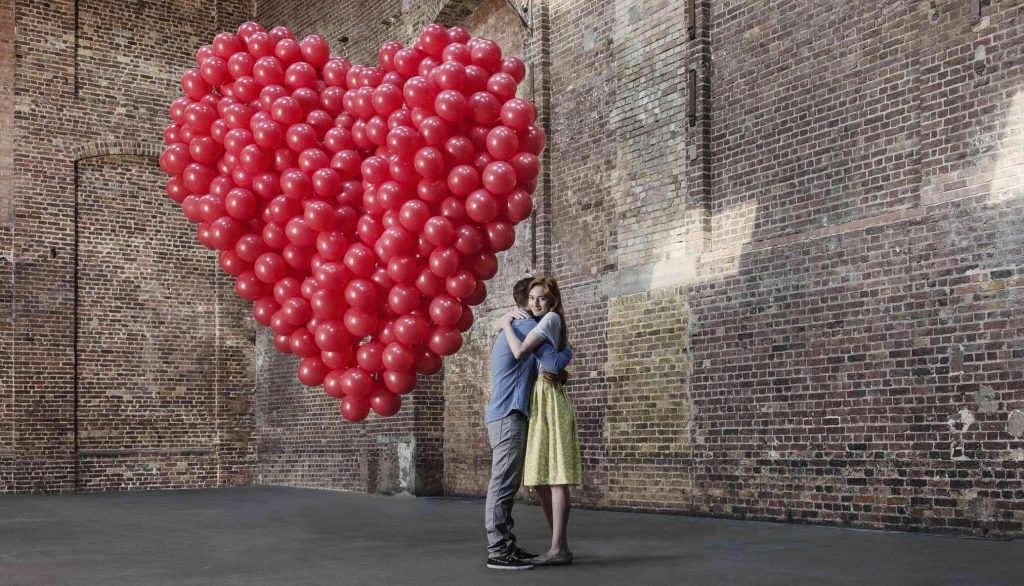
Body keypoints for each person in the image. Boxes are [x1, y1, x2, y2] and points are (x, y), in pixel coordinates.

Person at [484, 277, 574, 571]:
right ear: (527, 303)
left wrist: (500, 323)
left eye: (543, 299)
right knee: (502, 485)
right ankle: (498, 551)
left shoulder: (518, 327)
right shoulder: (525, 327)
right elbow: (554, 363)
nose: (538, 305)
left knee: (506, 484)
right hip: (509, 414)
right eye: (534, 299)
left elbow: (548, 370)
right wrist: (568, 353)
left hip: (506, 414)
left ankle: (506, 545)